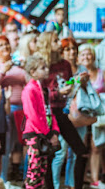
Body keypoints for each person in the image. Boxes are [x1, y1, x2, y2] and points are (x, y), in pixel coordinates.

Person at [35, 31, 88, 189]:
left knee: (81, 151)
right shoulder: (41, 65)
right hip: (47, 114)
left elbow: (69, 85)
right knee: (49, 155)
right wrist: (58, 93)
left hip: (61, 112)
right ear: (47, 44)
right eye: (56, 40)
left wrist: (75, 82)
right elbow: (38, 94)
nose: (59, 43)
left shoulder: (65, 64)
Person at [51, 38, 96, 189]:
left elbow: (87, 90)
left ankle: (71, 184)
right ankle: (55, 185)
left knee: (77, 152)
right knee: (60, 152)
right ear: (62, 52)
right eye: (68, 49)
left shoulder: (82, 68)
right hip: (64, 113)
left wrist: (82, 82)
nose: (71, 52)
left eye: (73, 48)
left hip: (80, 113)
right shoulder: (57, 67)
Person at [0, 35, 27, 181]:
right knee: (5, 145)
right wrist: (3, 71)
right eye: (0, 46)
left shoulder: (19, 64)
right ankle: (2, 179)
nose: (5, 47)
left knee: (19, 144)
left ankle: (19, 175)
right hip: (3, 109)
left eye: (6, 44)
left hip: (21, 108)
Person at [22, 55, 60, 189]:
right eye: (42, 68)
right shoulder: (29, 89)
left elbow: (49, 111)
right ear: (32, 72)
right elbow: (32, 115)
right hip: (34, 135)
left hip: (45, 133)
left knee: (42, 170)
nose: (46, 70)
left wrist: (54, 131)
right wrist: (48, 134)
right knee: (34, 169)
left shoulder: (43, 89)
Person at [78, 43, 105, 187]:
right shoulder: (76, 73)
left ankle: (95, 179)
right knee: (81, 146)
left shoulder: (101, 73)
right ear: (78, 58)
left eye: (89, 54)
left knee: (96, 146)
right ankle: (80, 177)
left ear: (94, 56)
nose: (86, 57)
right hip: (81, 116)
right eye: (83, 54)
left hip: (97, 116)